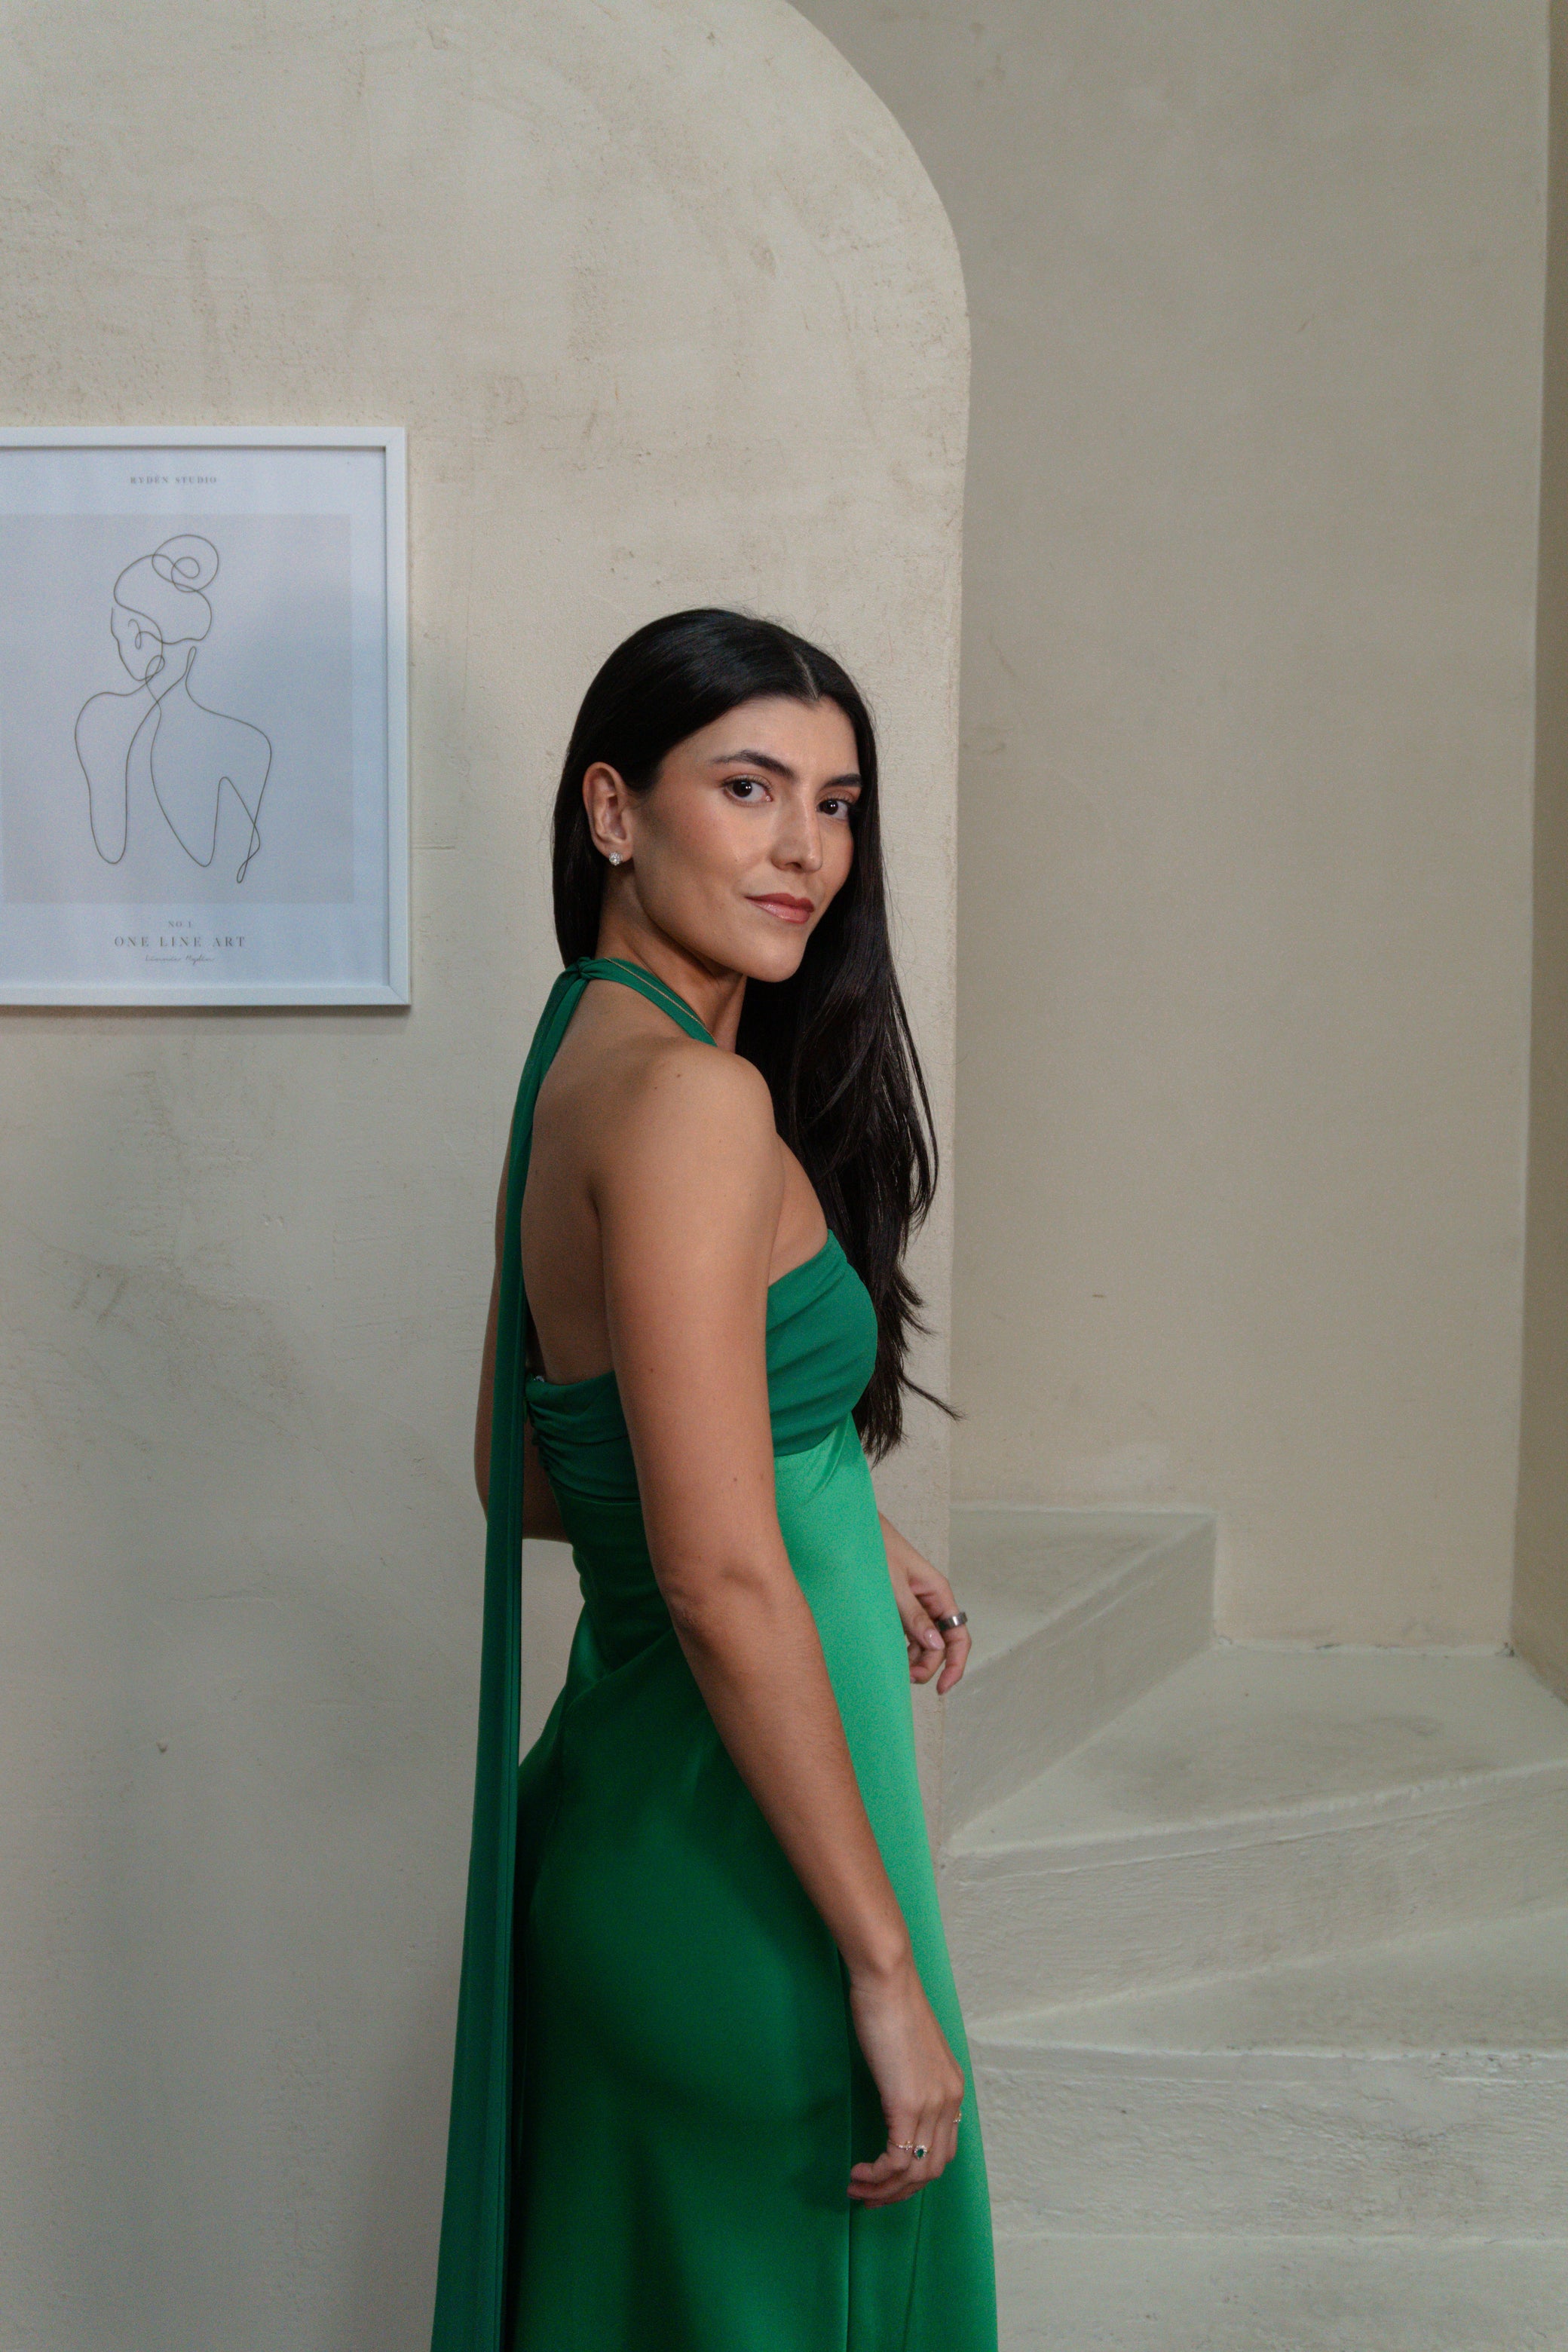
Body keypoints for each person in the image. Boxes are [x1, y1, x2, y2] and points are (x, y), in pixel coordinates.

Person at [430, 609, 998, 2351]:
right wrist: (880, 1966)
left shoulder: (577, 1057)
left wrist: (821, 1499)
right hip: (743, 1890)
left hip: (636, 1839)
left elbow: (528, 1475)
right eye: (746, 788)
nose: (801, 848)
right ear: (612, 810)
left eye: (834, 803)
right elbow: (708, 1575)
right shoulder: (690, 1104)